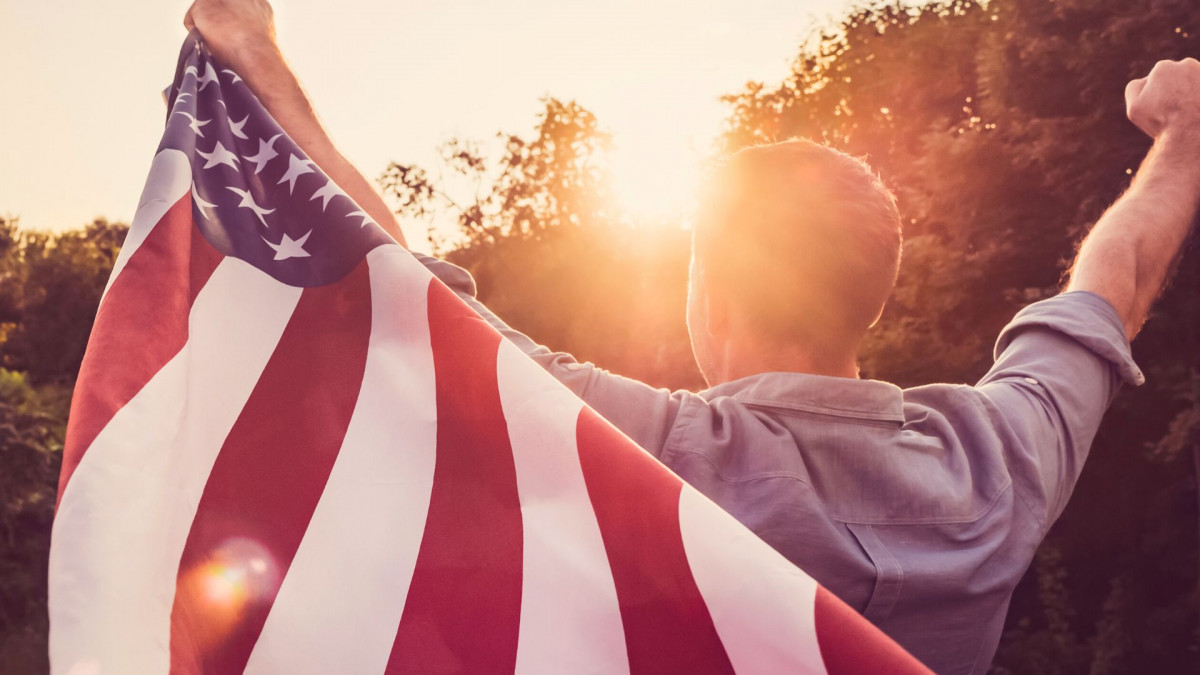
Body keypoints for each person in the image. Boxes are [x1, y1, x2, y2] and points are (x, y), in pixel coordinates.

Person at [184, 1, 1200, 672]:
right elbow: (1115, 284)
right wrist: (1184, 137)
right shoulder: (996, 463)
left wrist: (252, 53)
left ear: (709, 290)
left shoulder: (651, 457)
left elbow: (394, 287)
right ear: (872, 293)